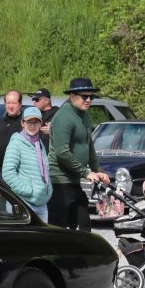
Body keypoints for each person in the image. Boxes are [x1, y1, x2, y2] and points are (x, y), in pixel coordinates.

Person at [46, 77, 110, 230]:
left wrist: (97, 170)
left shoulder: (85, 115)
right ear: (73, 96)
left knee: (84, 224)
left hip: (74, 180)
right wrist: (86, 172)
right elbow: (62, 152)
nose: (88, 100)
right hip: (60, 181)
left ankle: (78, 247)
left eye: (91, 97)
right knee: (58, 229)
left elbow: (89, 145)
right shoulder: (63, 117)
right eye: (84, 96)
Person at [1, 107, 52, 221]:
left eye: (36, 122)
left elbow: (45, 169)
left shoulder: (38, 142)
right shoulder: (16, 143)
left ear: (40, 124)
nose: (32, 125)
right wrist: (29, 191)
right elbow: (8, 173)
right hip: (23, 202)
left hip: (41, 203)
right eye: (29, 122)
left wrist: (48, 191)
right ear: (22, 123)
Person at [0, 90, 25, 171]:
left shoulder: (24, 123)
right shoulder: (1, 122)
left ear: (20, 104)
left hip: (16, 170)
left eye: (14, 103)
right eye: (8, 103)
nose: (11, 106)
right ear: (5, 104)